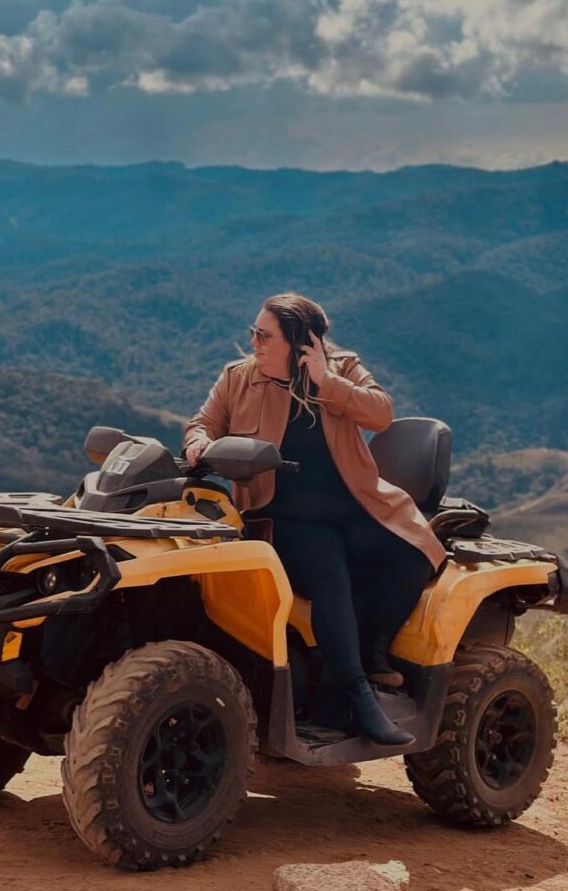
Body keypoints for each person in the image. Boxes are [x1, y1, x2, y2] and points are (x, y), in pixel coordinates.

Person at [183, 292, 447, 747]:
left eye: (264, 336)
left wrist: (327, 380)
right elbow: (202, 423)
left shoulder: (341, 369)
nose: (255, 343)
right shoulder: (238, 378)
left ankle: (371, 647)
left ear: (300, 342)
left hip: (354, 506)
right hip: (282, 516)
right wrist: (198, 444)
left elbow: (382, 414)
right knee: (330, 575)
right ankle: (356, 696)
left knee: (417, 553)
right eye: (254, 334)